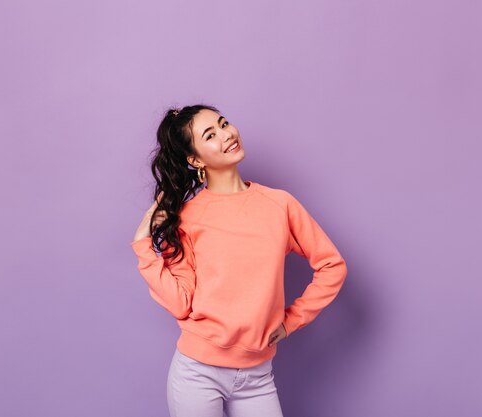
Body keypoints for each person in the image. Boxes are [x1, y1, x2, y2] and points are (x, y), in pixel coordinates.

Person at [131, 104, 348, 417]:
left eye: (224, 124)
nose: (227, 134)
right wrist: (142, 245)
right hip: (198, 374)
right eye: (211, 134)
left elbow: (331, 265)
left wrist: (292, 321)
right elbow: (180, 303)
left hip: (257, 377)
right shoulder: (188, 218)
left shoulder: (279, 205)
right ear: (195, 160)